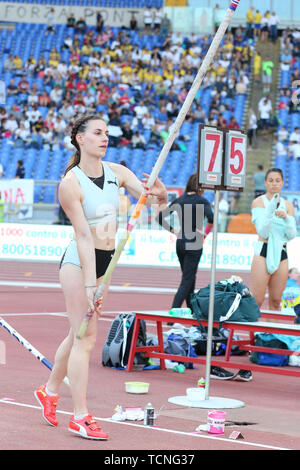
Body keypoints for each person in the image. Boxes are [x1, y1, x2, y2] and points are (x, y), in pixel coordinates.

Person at [34, 114, 168, 440]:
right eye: (97, 133)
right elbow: (82, 237)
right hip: (80, 264)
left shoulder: (117, 173)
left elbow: (149, 198)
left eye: (106, 133)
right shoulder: (70, 184)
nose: (104, 138)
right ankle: (79, 416)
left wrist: (161, 195)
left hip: (106, 263)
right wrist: (93, 284)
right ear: (80, 138)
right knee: (86, 337)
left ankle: (50, 391)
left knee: (77, 332)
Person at [156, 173, 213, 311]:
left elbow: (160, 217)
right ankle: (173, 311)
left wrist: (174, 231)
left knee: (189, 278)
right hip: (194, 242)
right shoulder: (201, 201)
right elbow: (212, 218)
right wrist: (205, 233)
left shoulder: (180, 200)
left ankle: (193, 312)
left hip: (181, 241)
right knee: (187, 279)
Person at [250, 168, 297, 311]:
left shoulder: (288, 206)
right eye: (270, 181)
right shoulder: (258, 202)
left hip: (282, 253)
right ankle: (254, 333)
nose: (274, 184)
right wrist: (271, 211)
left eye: (277, 180)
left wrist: (287, 218)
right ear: (265, 183)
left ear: (282, 183)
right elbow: (263, 232)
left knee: (276, 301)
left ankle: (272, 334)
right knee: (256, 301)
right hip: (263, 252)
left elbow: (291, 235)